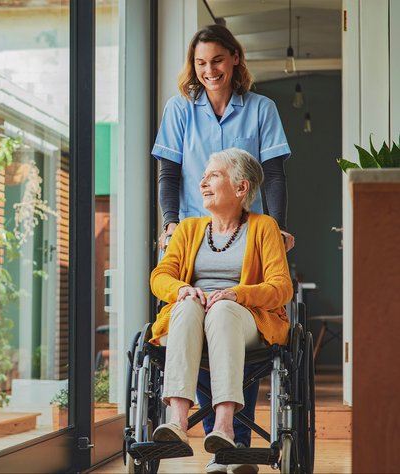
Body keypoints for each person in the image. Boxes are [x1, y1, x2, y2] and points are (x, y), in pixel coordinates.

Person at [151, 24, 294, 472]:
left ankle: (230, 438)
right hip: (196, 233)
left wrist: (275, 226)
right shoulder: (180, 109)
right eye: (200, 62)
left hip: (244, 231)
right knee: (190, 312)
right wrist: (172, 225)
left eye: (216, 60)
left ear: (234, 58)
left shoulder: (260, 108)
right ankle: (189, 422)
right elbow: (168, 174)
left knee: (230, 316)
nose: (209, 70)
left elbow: (273, 173)